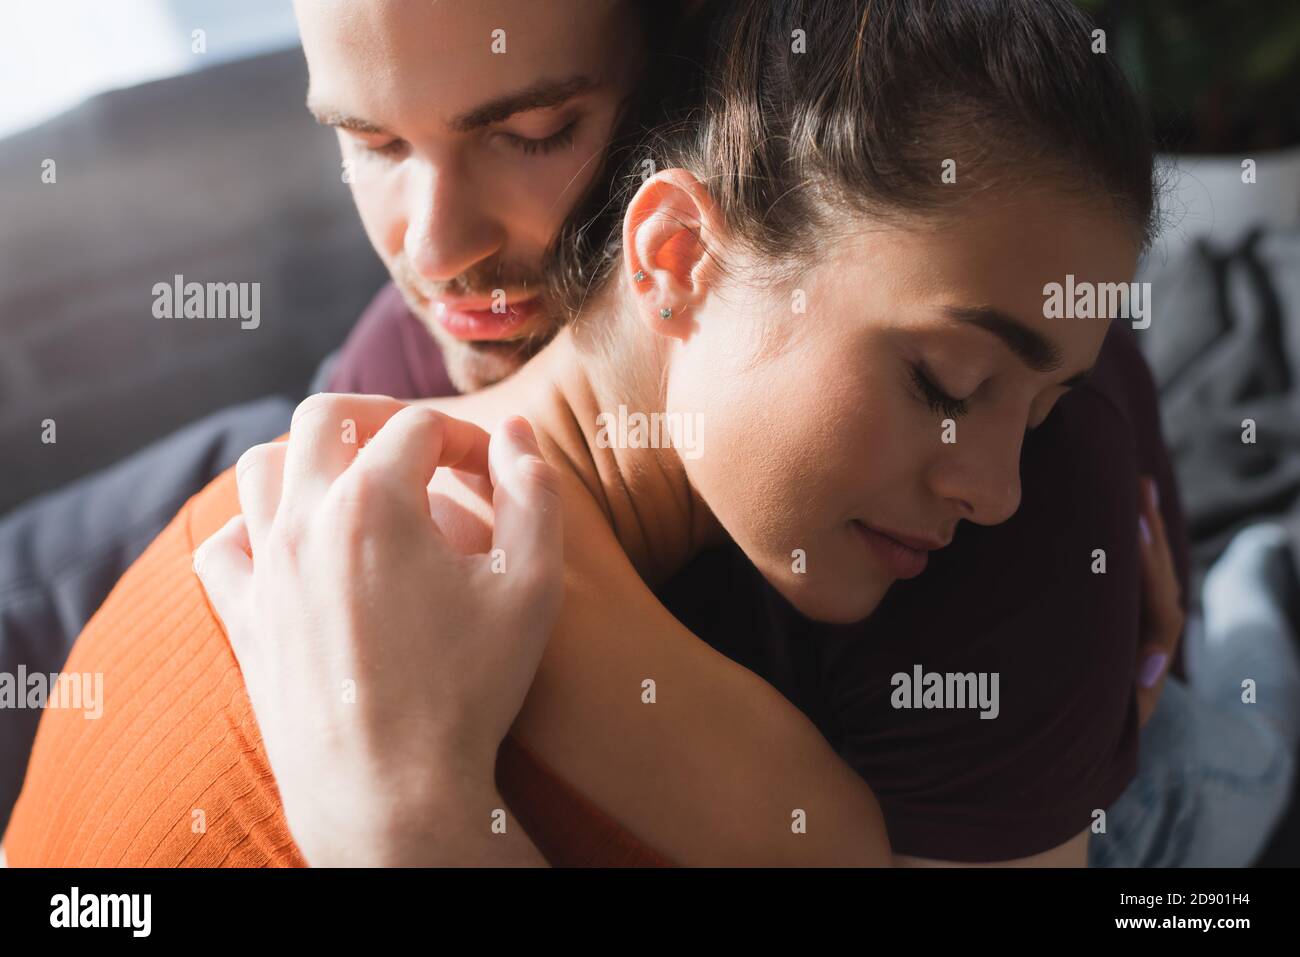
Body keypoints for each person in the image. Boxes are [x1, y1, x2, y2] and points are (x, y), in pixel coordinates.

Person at [4, 0, 1207, 866]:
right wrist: (403, 819)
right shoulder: (397, 393)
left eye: (533, 131)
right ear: (670, 252)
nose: (434, 254)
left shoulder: (1033, 518)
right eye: (368, 143)